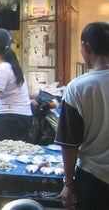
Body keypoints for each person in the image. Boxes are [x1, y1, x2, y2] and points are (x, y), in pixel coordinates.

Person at [55, 22, 109, 210]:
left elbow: (70, 143)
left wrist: (68, 184)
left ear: (86, 47)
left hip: (94, 180)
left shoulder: (78, 88)